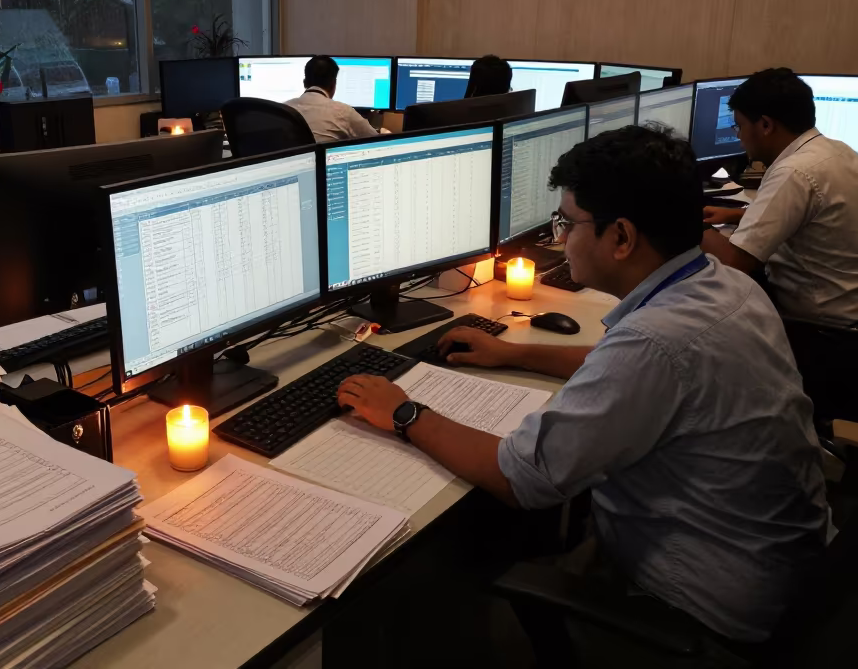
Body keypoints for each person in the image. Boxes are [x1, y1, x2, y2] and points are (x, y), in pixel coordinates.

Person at [338, 126, 827, 646]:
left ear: (621, 237)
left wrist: (404, 412)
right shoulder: (722, 282)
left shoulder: (654, 342)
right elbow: (635, 371)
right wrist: (513, 353)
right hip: (779, 568)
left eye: (567, 223)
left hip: (697, 606)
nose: (561, 238)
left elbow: (522, 479)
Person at [701, 68, 858, 325]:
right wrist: (737, 215)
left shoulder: (793, 173)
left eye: (739, 126)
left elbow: (733, 262)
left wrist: (686, 221)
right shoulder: (836, 150)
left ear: (765, 125)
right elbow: (813, 219)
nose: (739, 137)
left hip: (822, 330)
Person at [286, 55, 379, 143]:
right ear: (333, 85)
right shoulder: (344, 112)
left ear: (304, 83)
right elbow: (376, 141)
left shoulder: (283, 109)